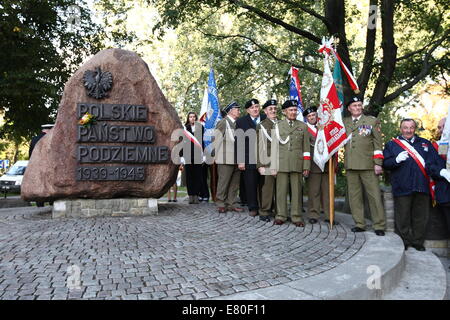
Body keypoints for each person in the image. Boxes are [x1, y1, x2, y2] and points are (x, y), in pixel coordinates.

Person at [383, 118, 441, 251]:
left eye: (411, 127)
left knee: (421, 217)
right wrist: (396, 160)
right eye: (405, 127)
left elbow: (433, 163)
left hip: (422, 185)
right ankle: (404, 241)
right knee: (402, 217)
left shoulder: (425, 143)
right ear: (400, 128)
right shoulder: (392, 145)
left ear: (415, 128)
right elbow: (386, 164)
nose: (408, 130)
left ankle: (418, 242)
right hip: (402, 185)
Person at [343, 96, 386, 236]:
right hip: (351, 165)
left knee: (374, 196)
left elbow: (378, 144)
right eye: (354, 106)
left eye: (359, 105)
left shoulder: (371, 121)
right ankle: (359, 223)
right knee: (354, 196)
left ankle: (379, 225)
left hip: (368, 165)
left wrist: (378, 163)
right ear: (349, 108)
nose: (357, 108)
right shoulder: (344, 122)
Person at [273, 100, 310, 227]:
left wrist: (306, 165)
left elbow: (306, 149)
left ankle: (296, 216)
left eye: (295, 110)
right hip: (281, 163)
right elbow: (274, 147)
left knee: (297, 191)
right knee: (281, 191)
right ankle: (281, 215)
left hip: (297, 163)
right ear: (284, 112)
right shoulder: (277, 126)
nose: (293, 112)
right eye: (291, 110)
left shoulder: (303, 126)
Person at [303, 106, 337, 225]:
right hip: (313, 165)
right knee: (314, 191)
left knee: (327, 192)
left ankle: (329, 215)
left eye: (313, 115)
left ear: (317, 116)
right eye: (309, 116)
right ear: (306, 118)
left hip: (327, 164)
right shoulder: (305, 130)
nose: (312, 117)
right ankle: (313, 214)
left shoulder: (325, 127)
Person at [236, 98, 267, 217]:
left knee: (265, 184)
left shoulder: (266, 119)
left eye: (257, 107)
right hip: (249, 158)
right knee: (250, 184)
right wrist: (240, 161)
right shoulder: (241, 122)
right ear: (248, 110)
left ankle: (265, 206)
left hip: (265, 158)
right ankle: (253, 207)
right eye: (252, 108)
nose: (255, 109)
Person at [214, 102, 244, 213]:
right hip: (225, 158)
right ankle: (221, 202)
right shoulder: (223, 123)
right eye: (237, 109)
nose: (239, 111)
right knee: (224, 182)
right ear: (230, 110)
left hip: (237, 158)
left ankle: (231, 203)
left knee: (234, 183)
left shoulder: (238, 123)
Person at [256, 99, 278, 222]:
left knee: (280, 188)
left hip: (281, 161)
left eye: (275, 108)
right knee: (268, 188)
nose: (273, 110)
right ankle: (264, 211)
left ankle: (279, 211)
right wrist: (260, 164)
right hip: (268, 161)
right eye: (270, 109)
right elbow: (258, 147)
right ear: (265, 111)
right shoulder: (261, 126)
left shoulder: (282, 123)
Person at [182, 112, 209, 204]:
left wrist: (204, 155)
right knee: (189, 177)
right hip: (188, 156)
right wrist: (181, 156)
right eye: (190, 117)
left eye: (194, 117)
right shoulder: (184, 128)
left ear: (196, 118)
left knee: (198, 176)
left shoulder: (200, 128)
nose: (192, 118)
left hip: (198, 155)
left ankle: (196, 196)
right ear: (188, 118)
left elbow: (203, 141)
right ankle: (191, 196)